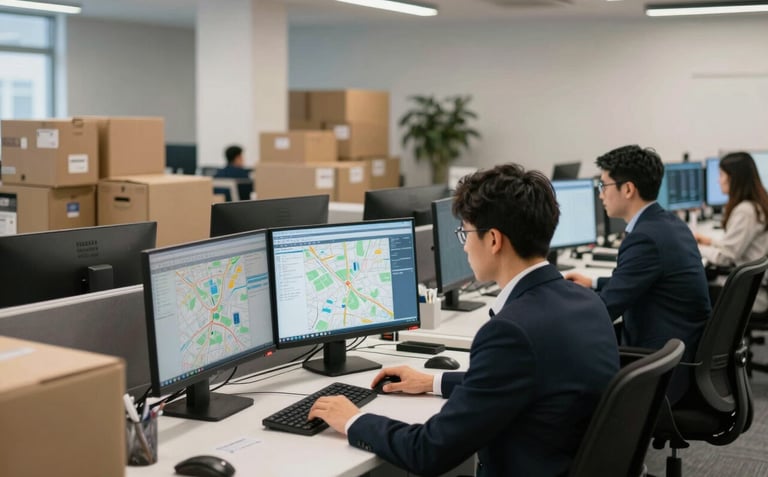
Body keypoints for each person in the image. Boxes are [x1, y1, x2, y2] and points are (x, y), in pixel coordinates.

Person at [308, 164, 620, 477]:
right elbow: (520, 379)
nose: (465, 245)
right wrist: (432, 382)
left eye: (465, 233)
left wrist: (353, 420)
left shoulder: (510, 332)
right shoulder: (586, 301)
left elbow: (428, 451)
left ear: (494, 240)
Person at [565, 145, 711, 402]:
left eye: (603, 186)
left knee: (567, 363)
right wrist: (594, 281)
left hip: (661, 368)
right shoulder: (669, 223)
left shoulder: (645, 238)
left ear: (628, 189)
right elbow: (648, 281)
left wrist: (553, 313)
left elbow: (605, 309)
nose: (600, 195)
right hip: (682, 352)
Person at [695, 152, 768, 312]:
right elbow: (740, 246)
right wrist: (710, 241)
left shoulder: (745, 211)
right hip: (755, 288)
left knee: (693, 293)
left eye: (721, 175)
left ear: (734, 178)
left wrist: (695, 248)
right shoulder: (755, 205)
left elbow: (725, 258)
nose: (718, 180)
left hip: (752, 296)